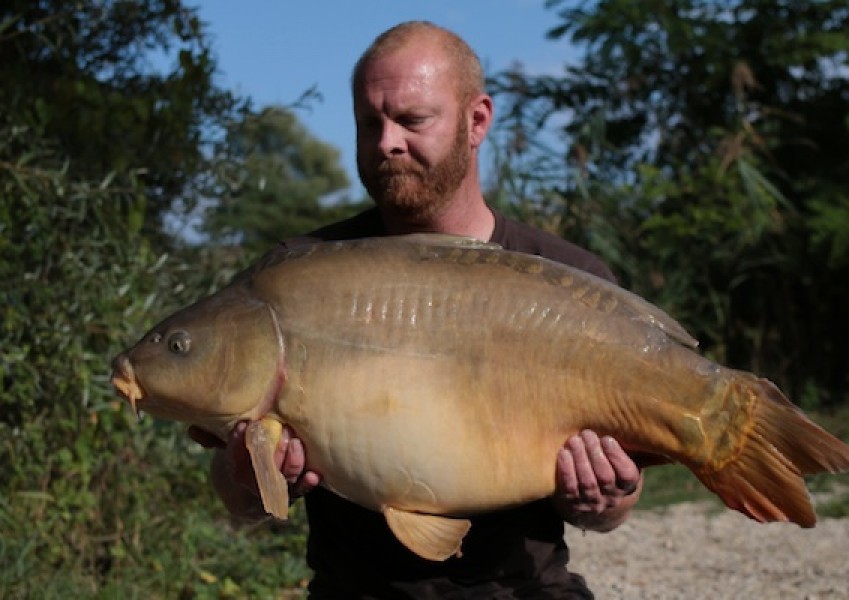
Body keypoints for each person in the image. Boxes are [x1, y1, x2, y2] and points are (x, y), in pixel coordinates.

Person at [191, 21, 643, 599]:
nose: (386, 142)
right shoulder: (295, 274)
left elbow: (615, 510)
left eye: (411, 120)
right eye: (369, 123)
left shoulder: (570, 282)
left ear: (476, 121)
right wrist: (252, 481)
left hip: (523, 589)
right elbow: (233, 495)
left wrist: (604, 497)